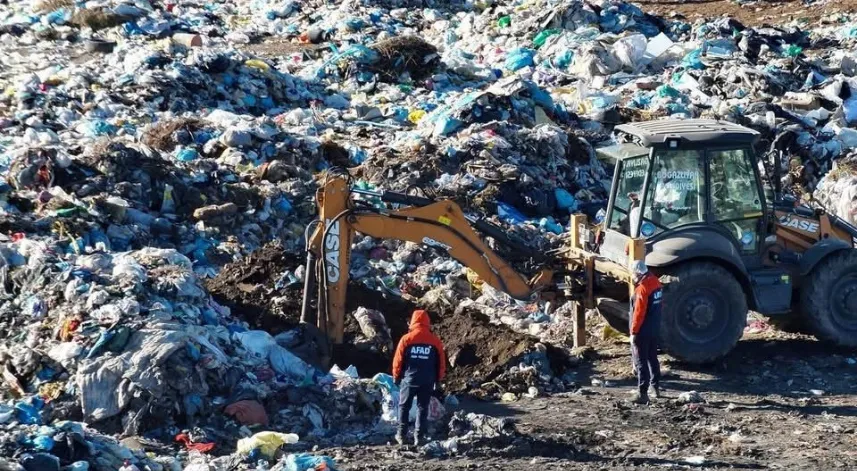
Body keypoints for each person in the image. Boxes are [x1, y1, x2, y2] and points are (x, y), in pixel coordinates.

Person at [392, 309, 447, 446]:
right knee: (423, 408)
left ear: (413, 322)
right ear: (427, 322)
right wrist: (438, 379)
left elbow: (398, 360)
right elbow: (441, 362)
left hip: (409, 380)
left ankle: (401, 435)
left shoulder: (406, 339)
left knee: (404, 407)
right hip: (427, 381)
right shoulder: (435, 341)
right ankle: (419, 437)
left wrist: (396, 376)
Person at [629, 260, 663, 404]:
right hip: (654, 328)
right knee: (652, 358)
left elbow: (639, 313)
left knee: (641, 361)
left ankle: (642, 393)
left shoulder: (642, 289)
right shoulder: (656, 282)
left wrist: (634, 332)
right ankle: (655, 387)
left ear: (637, 273)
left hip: (642, 330)